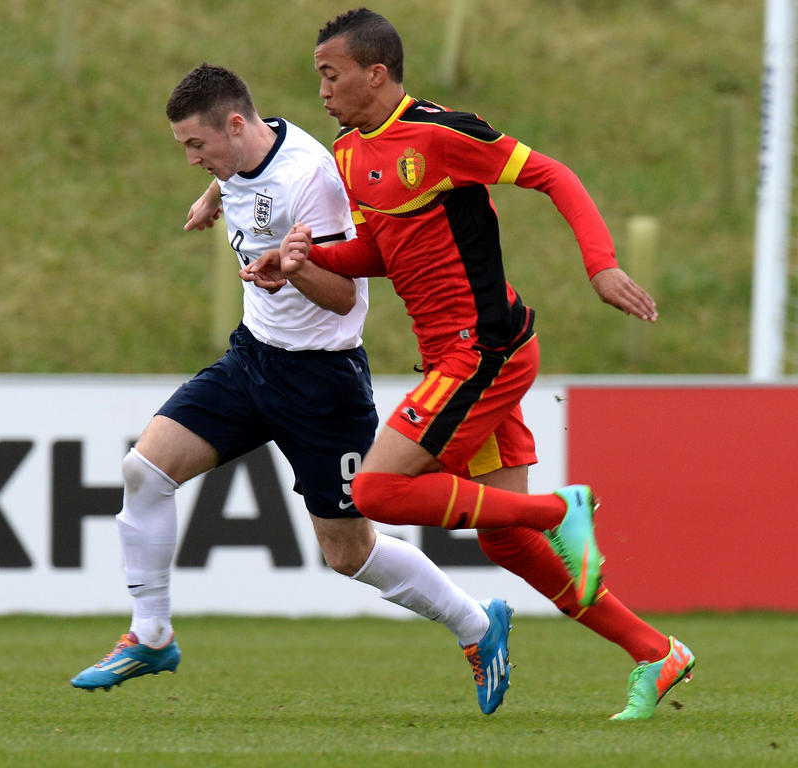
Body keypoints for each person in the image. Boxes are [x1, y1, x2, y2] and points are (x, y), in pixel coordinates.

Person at [243, 8, 694, 721]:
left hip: (484, 347)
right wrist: (304, 260)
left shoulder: (442, 133)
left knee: (378, 493)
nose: (322, 90)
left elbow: (553, 174)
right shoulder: (351, 151)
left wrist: (601, 265)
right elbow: (385, 254)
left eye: (331, 75)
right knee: (503, 538)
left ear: (376, 73)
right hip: (453, 354)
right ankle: (653, 651)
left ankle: (562, 508)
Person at [70, 62, 524, 715]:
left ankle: (478, 626)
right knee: (144, 471)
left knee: (349, 554)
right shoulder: (243, 158)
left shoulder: (310, 177)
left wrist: (290, 271)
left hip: (322, 382)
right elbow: (247, 182)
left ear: (232, 124)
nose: (192, 158)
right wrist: (213, 194)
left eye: (197, 146)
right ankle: (151, 635)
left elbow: (343, 296)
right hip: (252, 361)